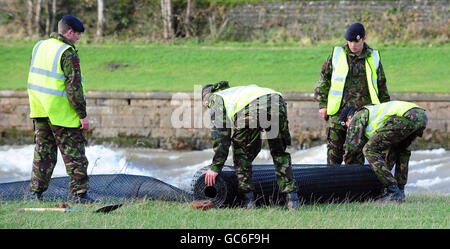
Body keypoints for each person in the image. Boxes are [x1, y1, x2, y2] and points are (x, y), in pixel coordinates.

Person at [26, 15, 98, 203]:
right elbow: (73, 88)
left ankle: (35, 193)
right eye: (77, 35)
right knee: (75, 154)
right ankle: (79, 195)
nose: (79, 39)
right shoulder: (67, 52)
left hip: (39, 109)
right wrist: (82, 115)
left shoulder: (40, 46)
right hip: (62, 113)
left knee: (43, 152)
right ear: (69, 32)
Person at [202, 81, 299, 210]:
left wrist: (216, 167)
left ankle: (249, 203)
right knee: (279, 153)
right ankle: (293, 200)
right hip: (277, 101)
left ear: (206, 98)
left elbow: (221, 138)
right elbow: (255, 144)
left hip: (251, 109)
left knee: (241, 155)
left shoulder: (216, 98)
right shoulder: (236, 91)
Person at [313, 22, 390, 165]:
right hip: (337, 113)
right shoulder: (336, 55)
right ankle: (331, 186)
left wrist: (385, 110)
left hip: (361, 115)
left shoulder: (374, 57)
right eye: (350, 41)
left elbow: (381, 86)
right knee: (334, 155)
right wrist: (322, 105)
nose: (353, 45)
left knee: (355, 155)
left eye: (356, 41)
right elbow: (323, 80)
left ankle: (353, 187)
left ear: (364, 39)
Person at [340, 101, 428, 202]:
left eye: (346, 125)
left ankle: (393, 190)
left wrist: (350, 169)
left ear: (348, 118)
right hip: (421, 116)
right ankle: (400, 191)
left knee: (369, 150)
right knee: (402, 150)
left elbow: (352, 146)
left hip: (407, 116)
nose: (348, 128)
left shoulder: (358, 115)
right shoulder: (373, 112)